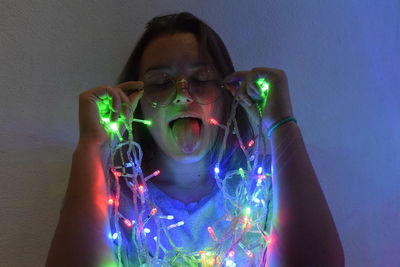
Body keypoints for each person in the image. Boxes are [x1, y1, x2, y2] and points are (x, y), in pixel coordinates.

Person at [46, 12, 344, 267]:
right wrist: (91, 146)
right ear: (134, 99)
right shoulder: (113, 197)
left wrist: (281, 123)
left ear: (229, 95)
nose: (183, 93)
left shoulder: (261, 186)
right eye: (161, 82)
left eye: (201, 79)